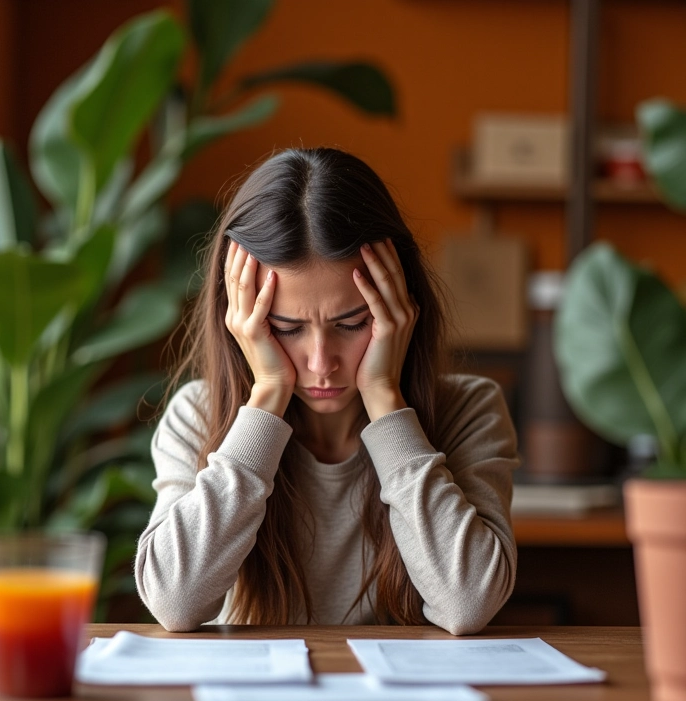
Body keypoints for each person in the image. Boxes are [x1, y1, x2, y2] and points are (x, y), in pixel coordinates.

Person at [134, 147, 519, 634]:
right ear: (240, 321)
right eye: (286, 328)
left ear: (401, 308)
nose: (320, 363)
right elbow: (174, 601)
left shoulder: (469, 410)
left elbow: (468, 602)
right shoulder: (196, 414)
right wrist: (268, 394)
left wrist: (384, 397)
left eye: (352, 323)